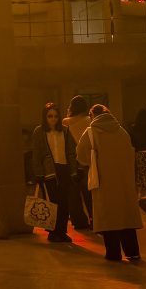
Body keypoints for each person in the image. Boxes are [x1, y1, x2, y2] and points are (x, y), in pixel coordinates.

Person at [76, 104, 143, 263]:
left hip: (103, 181)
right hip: (124, 181)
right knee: (125, 216)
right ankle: (132, 252)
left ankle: (113, 254)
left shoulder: (91, 132)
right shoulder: (122, 131)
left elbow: (81, 156)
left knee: (108, 217)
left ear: (92, 115)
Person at [30, 102, 77, 243]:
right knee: (52, 203)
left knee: (64, 203)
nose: (53, 119)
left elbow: (71, 152)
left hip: (63, 169)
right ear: (45, 117)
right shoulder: (39, 131)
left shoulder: (65, 131)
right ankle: (53, 232)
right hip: (49, 171)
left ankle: (61, 231)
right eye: (50, 116)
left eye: (56, 116)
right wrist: (38, 173)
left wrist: (74, 171)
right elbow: (36, 154)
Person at [63, 96, 92, 229]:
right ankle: (95, 218)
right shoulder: (90, 120)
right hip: (87, 160)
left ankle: (79, 221)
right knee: (89, 193)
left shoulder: (65, 122)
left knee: (73, 194)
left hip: (71, 161)